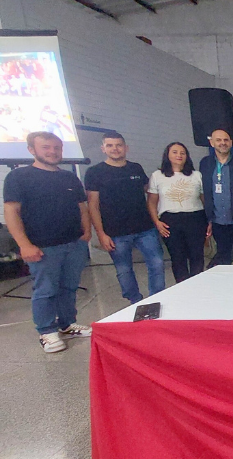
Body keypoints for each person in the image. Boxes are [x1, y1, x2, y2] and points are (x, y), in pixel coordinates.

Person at [3, 132, 91, 353]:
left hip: (74, 243)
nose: (52, 152)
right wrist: (24, 244)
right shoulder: (19, 177)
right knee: (46, 290)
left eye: (56, 148)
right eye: (46, 147)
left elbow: (81, 207)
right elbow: (12, 211)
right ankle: (47, 332)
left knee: (68, 287)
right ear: (32, 149)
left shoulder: (70, 178)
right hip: (42, 247)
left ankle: (67, 324)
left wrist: (86, 233)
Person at [84, 131, 164, 304]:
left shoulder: (135, 168)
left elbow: (151, 192)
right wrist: (101, 233)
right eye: (110, 145)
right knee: (124, 270)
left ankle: (157, 299)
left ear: (126, 147)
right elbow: (93, 205)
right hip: (115, 232)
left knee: (157, 263)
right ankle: (135, 301)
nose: (115, 149)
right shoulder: (94, 172)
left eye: (119, 145)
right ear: (103, 148)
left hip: (145, 229)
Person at [148, 142, 207, 282]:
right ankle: (182, 289)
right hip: (170, 221)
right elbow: (151, 202)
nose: (179, 155)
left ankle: (198, 286)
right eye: (175, 152)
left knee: (197, 256)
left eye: (182, 152)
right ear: (167, 155)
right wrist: (157, 222)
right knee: (178, 257)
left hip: (196, 219)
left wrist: (208, 220)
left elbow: (204, 200)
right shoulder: (157, 176)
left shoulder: (196, 175)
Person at [199, 128, 233, 266]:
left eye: (226, 140)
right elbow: (205, 191)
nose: (223, 143)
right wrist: (208, 218)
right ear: (212, 143)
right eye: (219, 140)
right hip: (217, 220)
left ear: (231, 142)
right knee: (223, 257)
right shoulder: (205, 163)